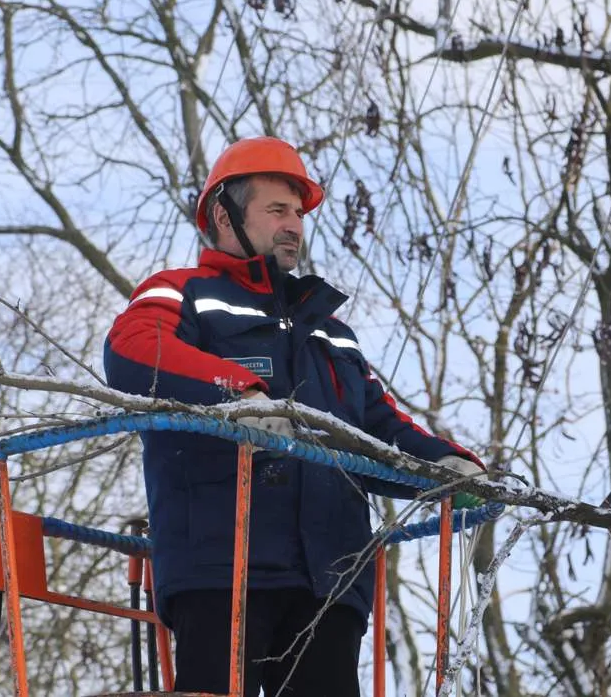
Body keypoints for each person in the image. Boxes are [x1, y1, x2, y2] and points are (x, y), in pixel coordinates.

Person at [104, 136, 485, 696]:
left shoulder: (328, 330)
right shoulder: (183, 293)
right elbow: (133, 347)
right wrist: (238, 395)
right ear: (224, 216)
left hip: (329, 580)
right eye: (278, 210)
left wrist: (449, 466)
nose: (294, 226)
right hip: (223, 570)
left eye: (299, 214)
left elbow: (377, 427)